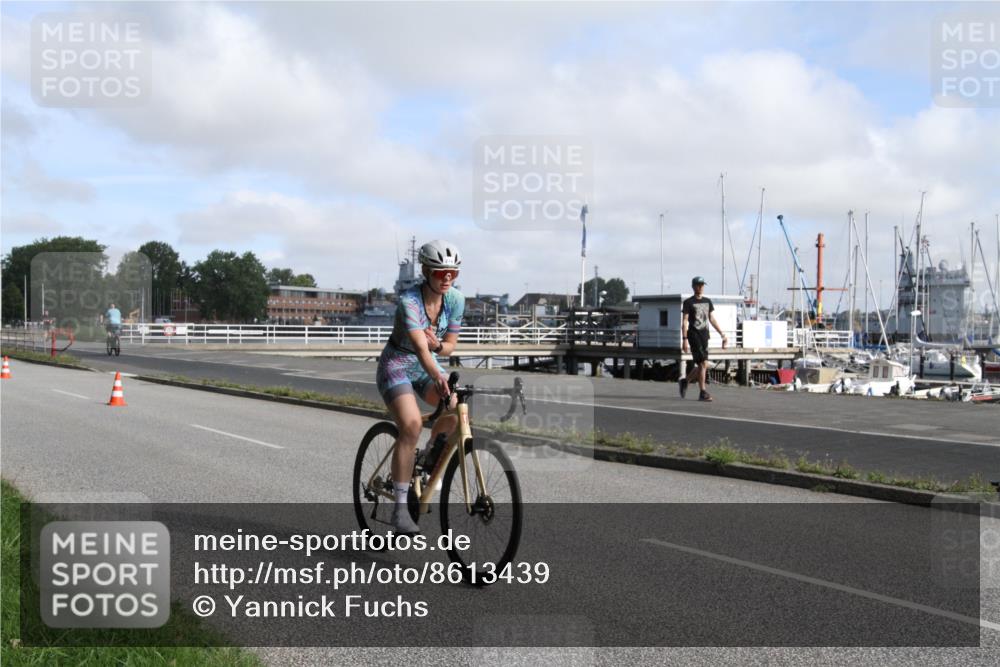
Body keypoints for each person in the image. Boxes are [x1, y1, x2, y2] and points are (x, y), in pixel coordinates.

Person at [375, 240, 464, 534]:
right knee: (411, 425)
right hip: (397, 365)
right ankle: (400, 511)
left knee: (455, 410)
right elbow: (419, 348)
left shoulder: (455, 301)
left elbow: (447, 346)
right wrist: (438, 375)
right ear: (426, 271)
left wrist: (440, 345)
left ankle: (428, 455)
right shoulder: (409, 302)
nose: (447, 277)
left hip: (426, 364)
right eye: (440, 273)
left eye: (452, 272)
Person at [679, 277, 727, 402]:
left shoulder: (707, 301)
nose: (700, 287)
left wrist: (722, 334)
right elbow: (684, 321)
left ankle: (685, 381)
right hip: (693, 335)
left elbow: (711, 318)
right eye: (698, 285)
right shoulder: (688, 302)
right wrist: (684, 339)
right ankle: (702, 392)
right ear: (693, 286)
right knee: (702, 363)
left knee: (703, 364)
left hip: (705, 335)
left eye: (702, 285)